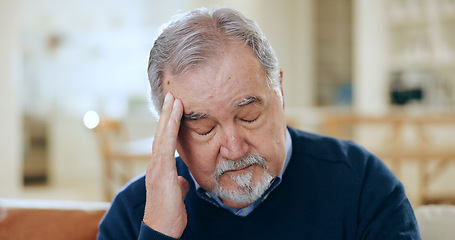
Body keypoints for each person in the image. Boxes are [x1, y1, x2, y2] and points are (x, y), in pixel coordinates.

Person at [98, 7, 421, 240]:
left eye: (249, 116)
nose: (235, 148)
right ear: (171, 133)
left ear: (279, 92)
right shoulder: (136, 214)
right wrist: (159, 233)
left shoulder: (363, 184)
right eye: (205, 128)